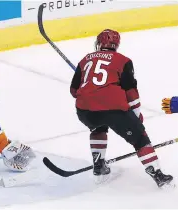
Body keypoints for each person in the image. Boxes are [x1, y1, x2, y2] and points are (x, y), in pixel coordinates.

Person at [70, 29, 173, 187]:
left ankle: (99, 166)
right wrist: (137, 116)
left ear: (99, 43)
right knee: (140, 138)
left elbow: (73, 91)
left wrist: (91, 88)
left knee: (98, 127)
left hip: (85, 111)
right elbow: (131, 93)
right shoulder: (123, 61)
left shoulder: (85, 60)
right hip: (113, 110)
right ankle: (158, 176)